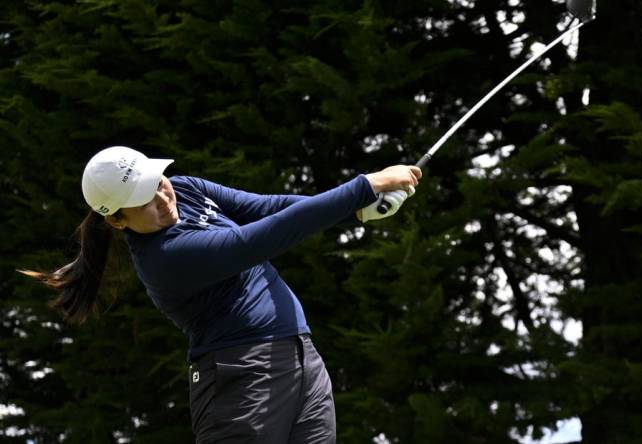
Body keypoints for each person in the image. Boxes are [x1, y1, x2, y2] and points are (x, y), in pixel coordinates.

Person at [20, 146, 422, 443]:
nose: (164, 198)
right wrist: (364, 187)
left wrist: (356, 210)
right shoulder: (165, 259)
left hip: (301, 358)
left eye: (157, 183)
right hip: (241, 376)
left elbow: (269, 207)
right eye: (145, 201)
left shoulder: (186, 188)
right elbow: (259, 239)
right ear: (118, 220)